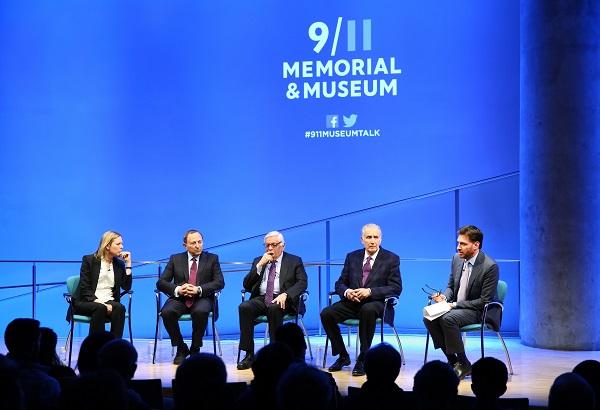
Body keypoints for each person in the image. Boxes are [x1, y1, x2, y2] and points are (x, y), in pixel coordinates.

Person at [320, 223, 402, 376]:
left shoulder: (391, 258)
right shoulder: (352, 257)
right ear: (362, 239)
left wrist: (370, 291)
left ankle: (364, 358)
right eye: (368, 237)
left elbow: (395, 288)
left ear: (381, 239)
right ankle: (343, 356)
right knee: (326, 313)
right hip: (352, 303)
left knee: (367, 309)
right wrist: (347, 292)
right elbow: (340, 283)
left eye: (375, 237)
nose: (372, 241)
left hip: (377, 304)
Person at [423, 225, 499, 379]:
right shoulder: (457, 259)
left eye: (463, 244)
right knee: (429, 317)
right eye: (458, 243)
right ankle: (453, 362)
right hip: (456, 307)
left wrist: (454, 305)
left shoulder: (490, 267)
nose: (458, 247)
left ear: (476, 245)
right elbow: (451, 286)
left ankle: (463, 363)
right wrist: (445, 297)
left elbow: (484, 301)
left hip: (478, 311)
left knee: (447, 318)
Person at [237, 231, 307, 370]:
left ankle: (277, 353)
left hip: (284, 299)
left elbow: (302, 283)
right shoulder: (259, 260)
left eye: (273, 245)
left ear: (283, 246)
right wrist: (260, 266)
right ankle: (249, 353)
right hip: (262, 298)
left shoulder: (294, 261)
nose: (269, 248)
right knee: (244, 307)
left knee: (274, 308)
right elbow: (246, 285)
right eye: (267, 245)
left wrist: (286, 294)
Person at [157, 229, 225, 365]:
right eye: (193, 243)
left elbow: (219, 282)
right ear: (185, 245)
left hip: (202, 297)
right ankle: (181, 347)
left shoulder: (212, 258)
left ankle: (195, 348)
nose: (198, 245)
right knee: (166, 312)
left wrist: (198, 289)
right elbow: (161, 282)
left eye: (200, 242)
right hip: (180, 298)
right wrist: (178, 289)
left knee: (201, 311)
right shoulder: (175, 259)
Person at [72, 230, 132, 338]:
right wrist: (101, 304)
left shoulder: (119, 264)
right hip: (87, 300)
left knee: (120, 308)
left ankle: (113, 346)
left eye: (122, 244)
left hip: (108, 300)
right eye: (118, 244)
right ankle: (95, 347)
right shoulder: (89, 260)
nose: (122, 247)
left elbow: (126, 287)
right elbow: (85, 288)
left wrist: (128, 264)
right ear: (107, 246)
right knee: (100, 308)